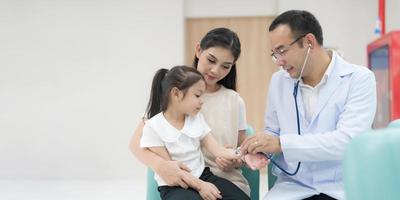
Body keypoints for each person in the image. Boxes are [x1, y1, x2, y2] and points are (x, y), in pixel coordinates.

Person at [240, 10, 377, 200]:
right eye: (275, 54)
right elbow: (273, 131)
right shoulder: (279, 81)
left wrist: (281, 144)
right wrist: (261, 148)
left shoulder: (359, 79)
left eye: (282, 51)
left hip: (341, 187)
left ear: (309, 42)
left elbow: (348, 141)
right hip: (293, 187)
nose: (279, 62)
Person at [130, 28, 252, 199]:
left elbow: (241, 150)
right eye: (211, 60)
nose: (216, 71)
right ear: (198, 50)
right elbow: (136, 145)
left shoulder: (234, 101)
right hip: (180, 179)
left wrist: (235, 160)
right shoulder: (175, 93)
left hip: (225, 180)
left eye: (225, 66)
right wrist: (162, 166)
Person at [141, 65, 249, 200]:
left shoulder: (196, 119)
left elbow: (218, 150)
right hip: (175, 184)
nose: (201, 101)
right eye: (197, 95)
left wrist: (245, 154)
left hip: (203, 176)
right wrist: (201, 186)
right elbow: (174, 171)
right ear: (176, 93)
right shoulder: (153, 126)